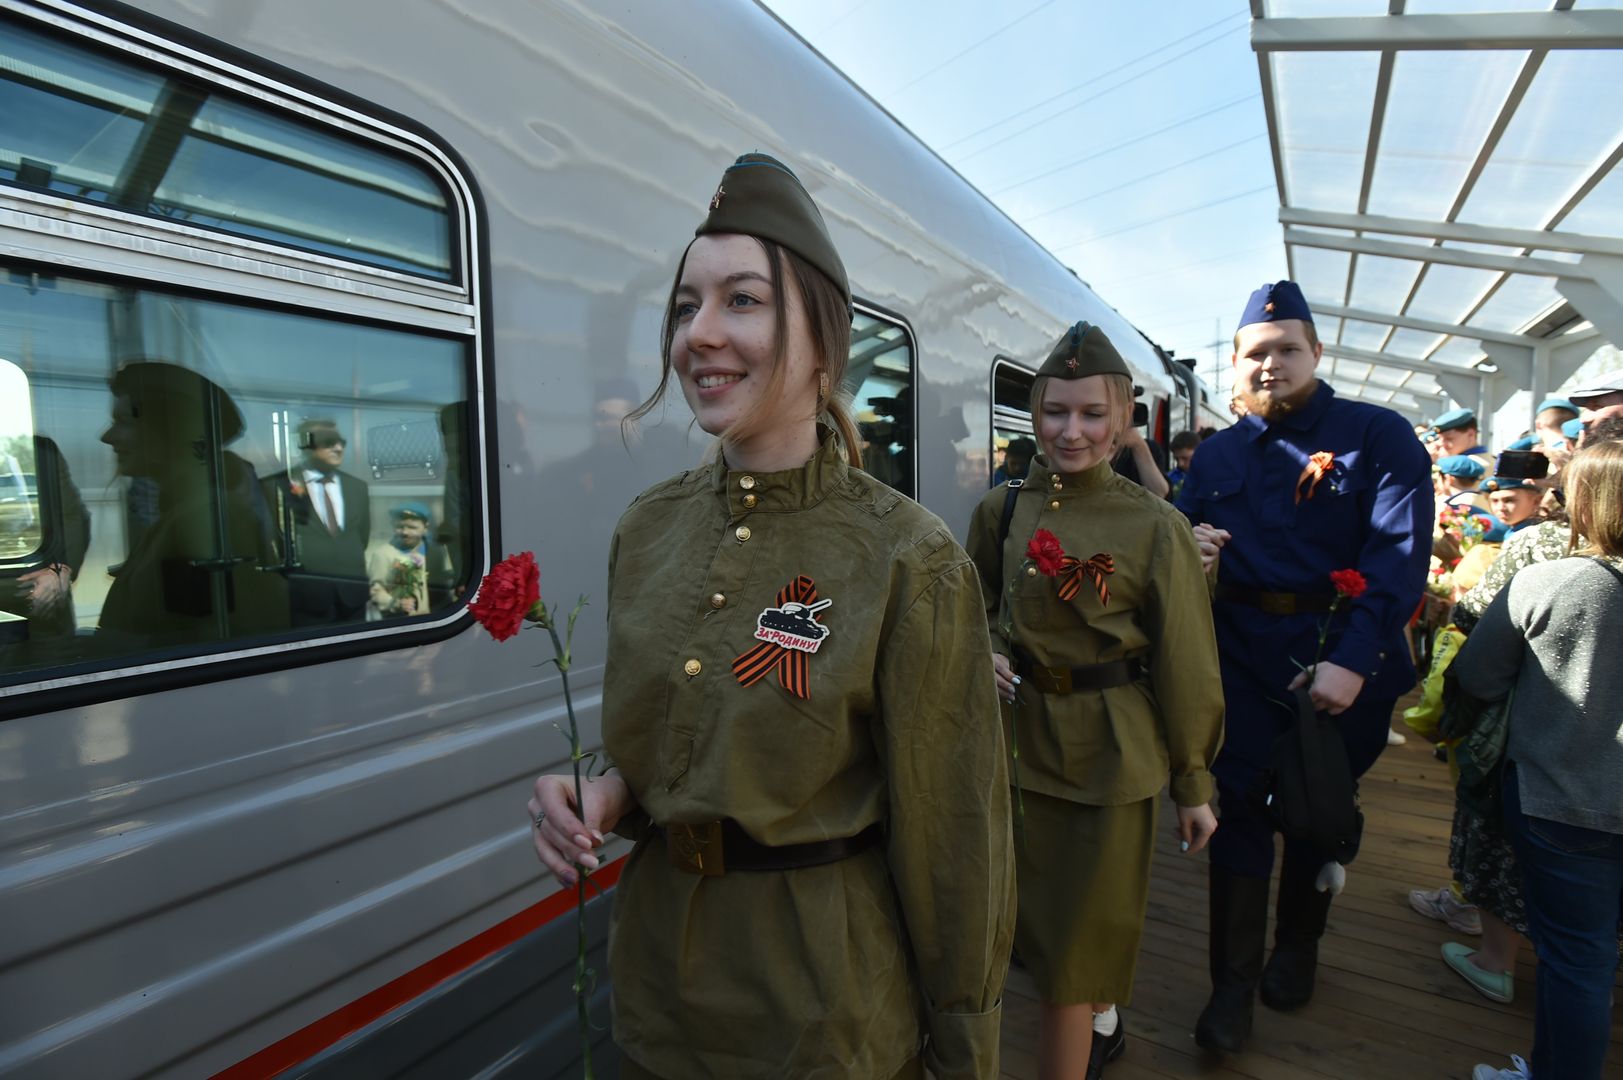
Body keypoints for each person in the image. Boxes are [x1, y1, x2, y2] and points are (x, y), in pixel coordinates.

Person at [524, 153, 1014, 1080]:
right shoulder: (649, 527)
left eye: (741, 301)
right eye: (684, 306)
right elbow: (663, 737)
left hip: (822, 1018)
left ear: (825, 342)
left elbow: (957, 844)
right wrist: (605, 794)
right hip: (658, 1000)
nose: (699, 333)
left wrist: (966, 1050)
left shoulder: (910, 558)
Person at [1177, 281, 1431, 1054]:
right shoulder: (1217, 452)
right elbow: (1177, 547)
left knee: (1317, 811)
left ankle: (1297, 948)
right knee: (1236, 816)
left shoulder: (1378, 437)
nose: (1270, 365)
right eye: (1255, 353)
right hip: (1239, 660)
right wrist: (1191, 553)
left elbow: (1397, 559)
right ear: (1235, 364)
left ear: (1316, 353)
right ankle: (1231, 988)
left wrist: (1353, 659)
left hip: (1337, 659)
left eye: (1286, 349)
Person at [965, 322, 1222, 1080]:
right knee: (1003, 937)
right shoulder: (1000, 511)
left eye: (1088, 414)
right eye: (1052, 412)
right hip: (1010, 750)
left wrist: (1193, 781)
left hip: (1108, 761)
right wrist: (982, 652)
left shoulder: (1154, 526)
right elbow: (966, 607)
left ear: (1119, 422)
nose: (1068, 431)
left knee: (1076, 963)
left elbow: (1185, 660)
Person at [1459, 439, 1623, 1080]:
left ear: (1585, 502)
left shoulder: (1554, 580)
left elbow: (1477, 677)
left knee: (1577, 962)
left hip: (1563, 800)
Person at [96, 361, 287, 647]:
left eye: (124, 422)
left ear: (172, 430)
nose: (107, 436)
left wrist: (113, 647)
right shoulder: (179, 511)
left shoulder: (207, 516)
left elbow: (229, 636)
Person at [267, 418, 372, 627]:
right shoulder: (280, 485)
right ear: (305, 445)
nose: (338, 447)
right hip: (308, 599)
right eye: (329, 441)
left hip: (352, 598)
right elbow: (275, 540)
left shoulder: (357, 487)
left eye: (342, 441)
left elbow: (362, 536)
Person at [365, 501, 436, 619]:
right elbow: (376, 591)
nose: (405, 532)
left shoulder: (435, 552)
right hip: (401, 621)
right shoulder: (383, 554)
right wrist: (395, 603)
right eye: (400, 527)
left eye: (412, 527)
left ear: (425, 528)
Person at [1166, 430, 1200, 501]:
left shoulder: (1209, 477)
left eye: (1185, 458)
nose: (1180, 464)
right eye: (1176, 459)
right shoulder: (1170, 478)